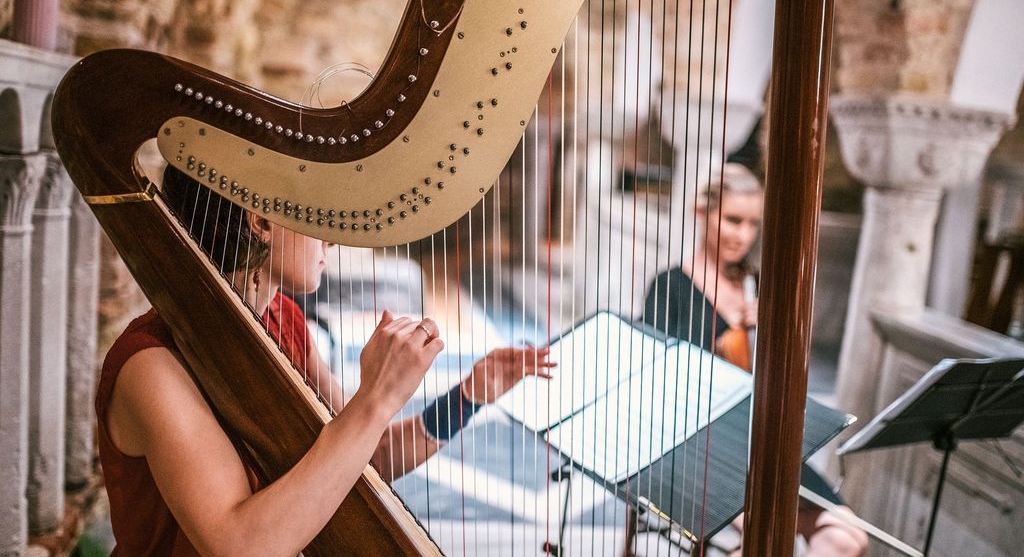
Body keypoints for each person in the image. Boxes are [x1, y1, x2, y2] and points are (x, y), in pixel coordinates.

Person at [96, 164, 555, 555]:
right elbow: (238, 545)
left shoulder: (284, 319)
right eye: (317, 212)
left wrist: (469, 396)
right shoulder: (151, 367)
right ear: (260, 220)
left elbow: (364, 455)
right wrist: (375, 397)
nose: (331, 237)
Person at [640, 163, 867, 557]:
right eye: (732, 220)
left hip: (761, 440)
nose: (743, 235)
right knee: (765, 541)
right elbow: (660, 383)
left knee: (847, 539)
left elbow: (786, 377)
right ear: (701, 213)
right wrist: (723, 340)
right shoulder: (670, 286)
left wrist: (776, 325)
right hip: (698, 446)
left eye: (752, 224)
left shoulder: (758, 286)